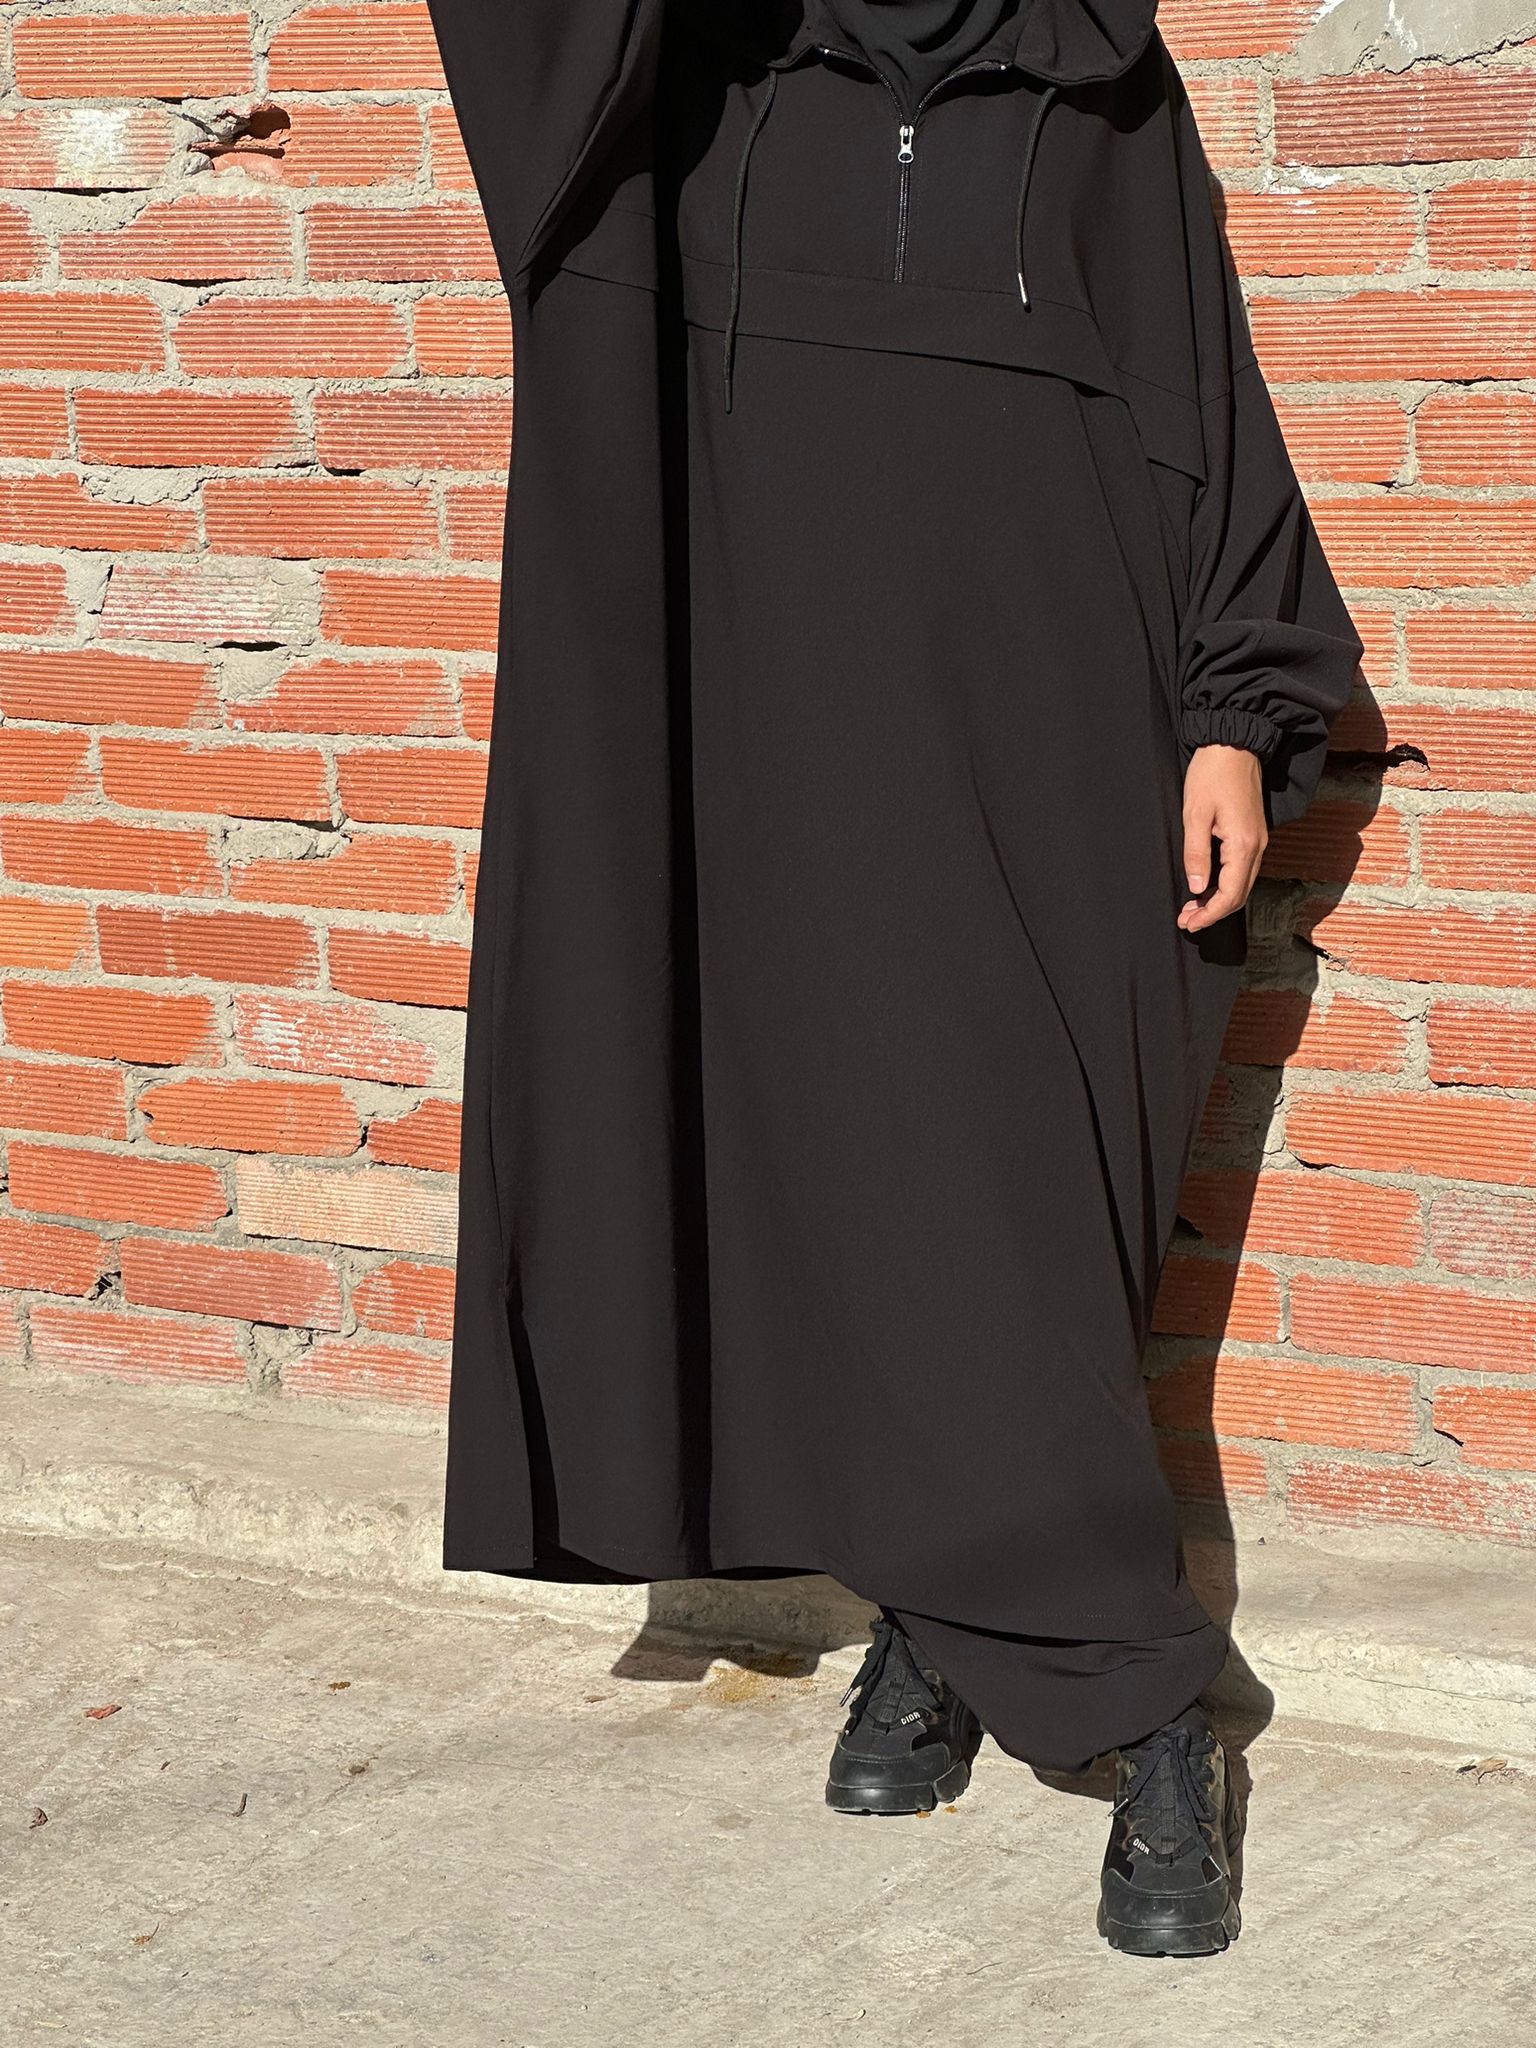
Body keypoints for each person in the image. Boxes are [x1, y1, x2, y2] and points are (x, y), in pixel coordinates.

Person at [424, 0, 1361, 1957]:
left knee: (1030, 1215)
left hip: (1055, 741)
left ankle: (1105, 1680)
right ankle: (995, 1643)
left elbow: (1211, 413)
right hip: (770, 754)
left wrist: (1233, 714)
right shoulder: (694, 87)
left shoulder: (1102, 86)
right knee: (833, 1209)